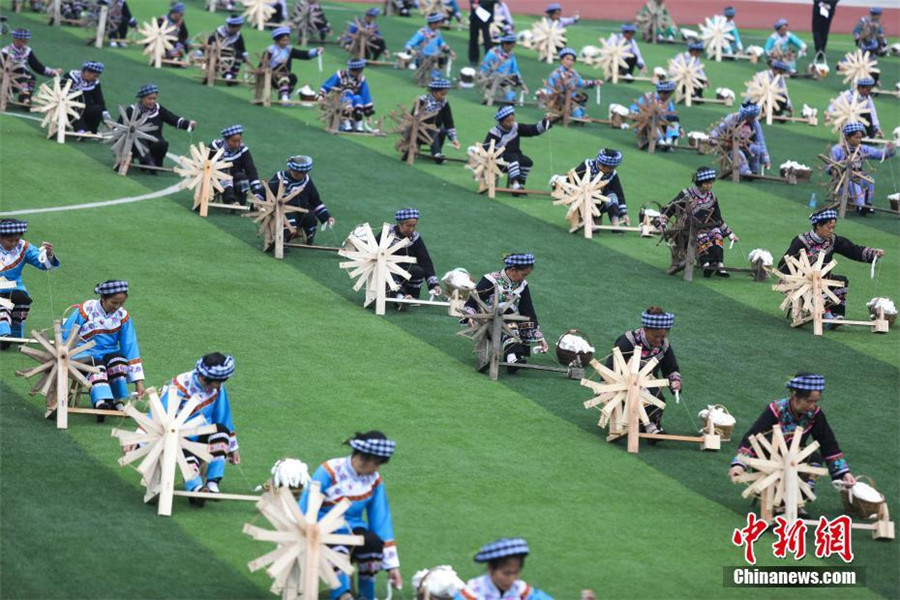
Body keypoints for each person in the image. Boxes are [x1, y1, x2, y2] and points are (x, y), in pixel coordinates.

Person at [299, 431, 402, 600]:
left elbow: (381, 521)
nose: (377, 469)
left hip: (353, 527)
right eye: (375, 463)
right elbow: (307, 505)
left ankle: (367, 595)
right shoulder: (330, 471)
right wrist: (307, 530)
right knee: (339, 542)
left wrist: (392, 567)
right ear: (362, 457)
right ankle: (342, 594)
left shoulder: (374, 480)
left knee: (373, 542)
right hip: (322, 528)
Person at [728, 374, 856, 509]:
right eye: (809, 401)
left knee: (814, 459)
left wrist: (843, 474)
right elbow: (751, 438)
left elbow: (828, 445)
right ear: (795, 395)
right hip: (769, 458)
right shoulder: (775, 410)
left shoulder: (815, 415)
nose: (812, 406)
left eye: (815, 401)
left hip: (796, 458)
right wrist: (739, 464)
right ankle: (783, 504)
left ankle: (799, 500)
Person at [777, 208, 884, 324]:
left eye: (833, 228)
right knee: (818, 285)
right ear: (818, 225)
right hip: (804, 283)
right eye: (829, 227)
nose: (831, 231)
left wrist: (873, 254)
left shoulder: (832, 240)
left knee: (841, 281)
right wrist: (788, 283)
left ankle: (836, 315)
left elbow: (852, 250)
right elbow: (785, 264)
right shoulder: (801, 241)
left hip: (824, 280)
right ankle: (827, 314)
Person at [160, 353, 240, 501]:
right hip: (177, 437)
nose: (220, 385)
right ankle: (195, 486)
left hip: (204, 434)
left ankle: (212, 482)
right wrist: (139, 439)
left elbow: (223, 415)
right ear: (206, 379)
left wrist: (233, 448)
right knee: (182, 448)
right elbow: (158, 412)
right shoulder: (180, 385)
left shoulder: (218, 389)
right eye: (219, 381)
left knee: (221, 431)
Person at [61, 281, 145, 415]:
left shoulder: (123, 316)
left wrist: (138, 382)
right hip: (83, 352)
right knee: (96, 367)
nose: (117, 307)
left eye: (121, 304)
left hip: (109, 352)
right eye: (114, 302)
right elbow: (67, 334)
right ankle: (100, 401)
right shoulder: (85, 310)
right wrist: (64, 354)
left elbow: (130, 347)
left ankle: (117, 399)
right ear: (103, 298)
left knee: (118, 361)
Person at [463, 253, 548, 372]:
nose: (524, 278)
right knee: (509, 321)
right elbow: (474, 300)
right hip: (488, 319)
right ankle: (512, 357)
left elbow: (528, 310)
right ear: (513, 270)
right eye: (523, 274)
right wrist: (471, 316)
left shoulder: (522, 285)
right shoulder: (491, 279)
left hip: (509, 318)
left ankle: (515, 355)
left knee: (522, 321)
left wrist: (539, 336)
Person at [607, 307, 680, 435]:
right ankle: (650, 426)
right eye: (655, 336)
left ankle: (651, 426)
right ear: (645, 330)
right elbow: (611, 365)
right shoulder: (627, 341)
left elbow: (670, 368)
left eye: (662, 337)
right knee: (642, 394)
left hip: (649, 383)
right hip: (624, 385)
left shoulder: (664, 345)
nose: (659, 341)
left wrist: (675, 381)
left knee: (657, 397)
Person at [660, 167, 738, 277]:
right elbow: (670, 207)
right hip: (689, 227)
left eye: (711, 183)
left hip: (707, 225)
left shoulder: (712, 197)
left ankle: (720, 265)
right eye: (707, 183)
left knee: (717, 234)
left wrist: (730, 234)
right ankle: (706, 265)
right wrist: (662, 221)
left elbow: (718, 218)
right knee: (702, 236)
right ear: (700, 183)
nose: (710, 186)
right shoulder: (686, 194)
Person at [0, 219, 59, 346]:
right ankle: (3, 334)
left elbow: (42, 263)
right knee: (2, 306)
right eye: (10, 240)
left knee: (22, 300)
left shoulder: (24, 247)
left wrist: (48, 254)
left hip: (14, 287)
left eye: (16, 239)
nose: (14, 243)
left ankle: (13, 333)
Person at [375, 209, 442, 308]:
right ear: (400, 224)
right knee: (388, 272)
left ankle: (412, 296)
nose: (411, 229)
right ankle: (400, 297)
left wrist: (434, 284)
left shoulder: (415, 238)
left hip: (405, 268)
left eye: (413, 226)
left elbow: (425, 261)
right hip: (386, 267)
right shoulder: (387, 233)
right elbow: (374, 250)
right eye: (408, 226)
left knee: (419, 271)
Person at [483, 105, 556, 194]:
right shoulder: (494, 132)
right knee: (513, 159)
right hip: (498, 160)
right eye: (507, 121)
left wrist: (546, 121)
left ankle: (519, 184)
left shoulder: (516, 127)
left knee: (527, 162)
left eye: (512, 120)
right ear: (501, 121)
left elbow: (532, 130)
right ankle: (515, 184)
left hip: (514, 157)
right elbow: (486, 147)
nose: (511, 123)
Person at [828, 122, 895, 215]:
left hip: (859, 176)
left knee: (870, 181)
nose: (859, 140)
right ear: (847, 137)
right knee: (854, 184)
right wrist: (836, 169)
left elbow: (879, 154)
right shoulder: (837, 149)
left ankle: (867, 204)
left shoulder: (863, 148)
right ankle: (860, 205)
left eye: (860, 137)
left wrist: (890, 150)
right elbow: (830, 167)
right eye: (856, 137)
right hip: (842, 179)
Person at [122, 84, 196, 169]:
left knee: (162, 144)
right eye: (149, 99)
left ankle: (156, 162)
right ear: (142, 98)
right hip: (135, 143)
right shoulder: (131, 110)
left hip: (155, 139)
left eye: (154, 98)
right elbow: (120, 127)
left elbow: (172, 119)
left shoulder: (158, 109)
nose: (152, 101)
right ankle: (146, 161)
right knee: (139, 140)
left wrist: (188, 124)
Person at [265, 155, 335, 246]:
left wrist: (327, 217)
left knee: (311, 217)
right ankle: (283, 241)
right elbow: (267, 191)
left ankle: (309, 237)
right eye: (299, 173)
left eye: (304, 173)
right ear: (292, 170)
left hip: (303, 209)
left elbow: (315, 200)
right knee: (289, 222)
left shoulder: (307, 181)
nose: (302, 175)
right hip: (284, 209)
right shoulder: (280, 177)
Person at [455, 538, 552, 600]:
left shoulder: (520, 590)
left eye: (516, 573)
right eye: (507, 573)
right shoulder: (473, 592)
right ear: (490, 568)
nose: (512, 579)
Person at [570, 149, 630, 228]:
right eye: (610, 168)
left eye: (613, 167)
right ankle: (590, 223)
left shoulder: (612, 174)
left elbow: (619, 193)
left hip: (600, 203)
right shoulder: (587, 165)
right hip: (582, 200)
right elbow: (572, 180)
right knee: (584, 198)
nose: (612, 170)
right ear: (602, 164)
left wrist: (624, 213)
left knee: (612, 195)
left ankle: (615, 223)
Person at [0, 29, 62, 105]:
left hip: (21, 73)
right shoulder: (6, 51)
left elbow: (36, 65)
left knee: (31, 78)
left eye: (25, 41)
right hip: (8, 74)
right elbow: (4, 64)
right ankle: (24, 96)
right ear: (15, 40)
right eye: (21, 41)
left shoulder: (26, 50)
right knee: (24, 76)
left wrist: (52, 72)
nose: (24, 43)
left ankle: (25, 97)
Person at [264, 26, 323, 104]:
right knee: (283, 79)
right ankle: (284, 98)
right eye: (283, 40)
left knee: (292, 78)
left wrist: (315, 51)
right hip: (272, 76)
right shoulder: (270, 51)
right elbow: (263, 64)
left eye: (287, 40)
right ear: (277, 40)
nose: (285, 42)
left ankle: (285, 95)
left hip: (286, 75)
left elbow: (302, 54)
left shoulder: (289, 50)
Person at [711, 102, 770, 177]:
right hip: (731, 147)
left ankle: (753, 171)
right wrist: (713, 139)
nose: (751, 119)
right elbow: (717, 130)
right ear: (744, 115)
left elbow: (760, 140)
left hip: (746, 146)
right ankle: (746, 172)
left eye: (753, 117)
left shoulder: (755, 123)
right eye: (750, 117)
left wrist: (766, 160)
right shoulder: (732, 118)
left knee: (756, 148)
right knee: (738, 153)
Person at [210, 124, 264, 206]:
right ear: (226, 140)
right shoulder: (215, 147)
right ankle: (231, 201)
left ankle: (240, 200)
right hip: (216, 176)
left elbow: (251, 170)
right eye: (234, 141)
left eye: (239, 141)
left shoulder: (243, 150)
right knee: (226, 177)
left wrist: (257, 192)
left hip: (235, 176)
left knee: (242, 177)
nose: (237, 144)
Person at [541, 47, 599, 119]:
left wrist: (594, 82)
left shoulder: (573, 73)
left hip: (572, 98)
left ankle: (580, 115)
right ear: (562, 60)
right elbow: (550, 87)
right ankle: (577, 115)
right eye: (567, 59)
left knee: (582, 100)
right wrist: (550, 96)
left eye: (571, 60)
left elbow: (581, 83)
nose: (569, 62)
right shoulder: (556, 74)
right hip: (560, 99)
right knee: (572, 107)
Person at [320, 58, 375, 133]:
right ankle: (346, 124)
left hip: (354, 101)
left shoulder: (361, 79)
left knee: (358, 98)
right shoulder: (340, 75)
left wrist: (368, 114)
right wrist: (322, 94)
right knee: (346, 97)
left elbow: (365, 94)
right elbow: (328, 85)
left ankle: (359, 125)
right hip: (340, 99)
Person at [413, 78, 460, 162]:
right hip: (419, 132)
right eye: (442, 94)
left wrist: (454, 139)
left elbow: (448, 122)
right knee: (433, 129)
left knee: (442, 130)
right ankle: (437, 154)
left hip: (435, 131)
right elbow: (413, 117)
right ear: (434, 92)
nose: (444, 96)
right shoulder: (422, 101)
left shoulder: (444, 103)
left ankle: (437, 152)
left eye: (445, 94)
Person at [629, 81, 680, 149]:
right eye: (665, 93)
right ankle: (661, 141)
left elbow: (671, 115)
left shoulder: (668, 102)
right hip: (648, 123)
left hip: (663, 123)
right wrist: (635, 114)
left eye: (669, 93)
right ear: (660, 92)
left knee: (674, 121)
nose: (667, 96)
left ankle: (668, 141)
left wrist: (677, 124)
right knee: (653, 121)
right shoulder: (648, 97)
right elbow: (633, 108)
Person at [63, 61, 109, 134]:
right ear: (86, 72)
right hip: (69, 107)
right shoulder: (70, 77)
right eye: (95, 76)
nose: (95, 78)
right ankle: (80, 130)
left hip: (85, 108)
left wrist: (106, 117)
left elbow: (99, 100)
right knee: (73, 107)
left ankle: (91, 130)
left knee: (97, 109)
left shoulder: (95, 83)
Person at [404, 13, 455, 78]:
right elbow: (409, 44)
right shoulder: (422, 32)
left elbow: (442, 44)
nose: (441, 24)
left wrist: (450, 51)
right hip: (423, 58)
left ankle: (435, 74)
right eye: (439, 22)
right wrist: (411, 51)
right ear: (433, 23)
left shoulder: (437, 32)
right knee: (431, 60)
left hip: (434, 58)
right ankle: (432, 75)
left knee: (441, 58)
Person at [479, 33, 526, 104]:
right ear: (505, 44)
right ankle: (488, 95)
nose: (512, 48)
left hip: (507, 79)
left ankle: (509, 96)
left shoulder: (511, 55)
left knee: (510, 100)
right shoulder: (492, 53)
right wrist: (484, 77)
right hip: (492, 78)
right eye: (511, 45)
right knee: (487, 98)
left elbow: (515, 70)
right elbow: (484, 67)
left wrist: (522, 84)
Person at [206, 14, 249, 85]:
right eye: (238, 27)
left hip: (231, 55)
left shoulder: (238, 35)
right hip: (217, 53)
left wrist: (245, 56)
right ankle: (227, 75)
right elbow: (209, 42)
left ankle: (232, 75)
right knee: (222, 58)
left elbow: (242, 47)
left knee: (239, 55)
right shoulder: (219, 32)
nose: (239, 29)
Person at [468, 0, 498, 66]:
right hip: (475, 15)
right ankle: (473, 59)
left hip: (486, 15)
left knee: (487, 39)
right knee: (473, 38)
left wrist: (480, 5)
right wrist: (472, 3)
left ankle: (489, 59)